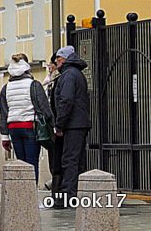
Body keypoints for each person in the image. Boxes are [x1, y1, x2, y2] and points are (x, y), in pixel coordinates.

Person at [0, 52, 54, 183]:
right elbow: (45, 108)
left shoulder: (5, 88)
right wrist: (53, 126)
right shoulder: (34, 85)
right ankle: (31, 197)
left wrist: (5, 136)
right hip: (30, 127)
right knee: (31, 163)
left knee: (21, 164)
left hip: (13, 129)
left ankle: (21, 195)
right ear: (27, 67)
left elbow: (3, 113)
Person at [52, 45, 90, 206]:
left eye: (58, 60)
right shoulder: (76, 74)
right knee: (77, 159)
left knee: (69, 159)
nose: (56, 63)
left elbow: (66, 100)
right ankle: (75, 193)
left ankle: (69, 196)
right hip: (78, 123)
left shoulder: (68, 75)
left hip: (72, 124)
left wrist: (59, 125)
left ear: (64, 60)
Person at [42, 56, 63, 194]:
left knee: (57, 159)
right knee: (53, 158)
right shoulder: (49, 81)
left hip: (56, 125)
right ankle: (56, 186)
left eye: (52, 64)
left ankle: (58, 188)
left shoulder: (58, 80)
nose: (49, 67)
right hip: (51, 125)